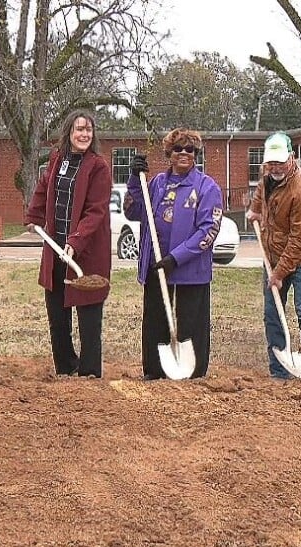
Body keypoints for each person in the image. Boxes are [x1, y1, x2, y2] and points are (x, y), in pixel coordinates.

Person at [126, 128, 221, 380]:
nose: (184, 153)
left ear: (196, 154)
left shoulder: (207, 187)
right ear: (169, 153)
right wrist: (135, 180)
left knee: (191, 322)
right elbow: (135, 212)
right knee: (156, 320)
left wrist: (176, 257)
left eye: (190, 149)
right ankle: (155, 370)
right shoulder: (157, 184)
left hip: (190, 268)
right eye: (178, 148)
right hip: (157, 264)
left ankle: (193, 372)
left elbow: (208, 230)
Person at [24, 110, 112, 377]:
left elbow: (96, 211)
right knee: (57, 312)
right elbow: (44, 188)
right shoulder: (57, 159)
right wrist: (34, 216)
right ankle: (65, 366)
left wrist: (75, 241)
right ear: (69, 133)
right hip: (56, 248)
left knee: (89, 314)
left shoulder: (98, 167)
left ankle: (89, 371)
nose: (84, 134)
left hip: (86, 252)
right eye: (79, 129)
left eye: (88, 129)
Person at [245, 132, 301, 380]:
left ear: (292, 157)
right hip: (272, 255)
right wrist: (254, 210)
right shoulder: (267, 177)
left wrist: (279, 274)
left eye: (280, 162)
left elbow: (299, 241)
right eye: (271, 163)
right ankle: (279, 372)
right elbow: (261, 193)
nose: (276, 168)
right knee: (272, 315)